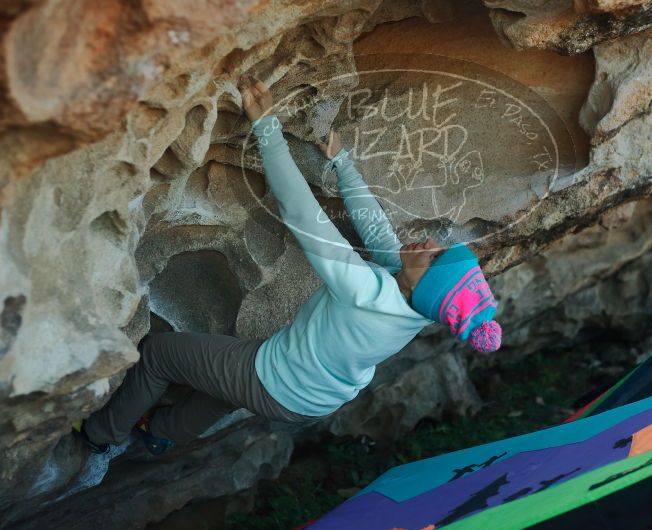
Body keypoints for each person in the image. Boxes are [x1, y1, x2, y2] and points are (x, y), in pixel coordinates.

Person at [72, 74, 502, 456]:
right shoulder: (415, 303)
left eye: (435, 255)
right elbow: (376, 231)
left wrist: (267, 128)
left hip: (279, 380)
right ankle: (163, 433)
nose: (430, 242)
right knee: (231, 379)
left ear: (423, 283)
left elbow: (301, 213)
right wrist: (343, 163)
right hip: (311, 396)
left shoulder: (365, 292)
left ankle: (98, 436)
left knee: (159, 355)